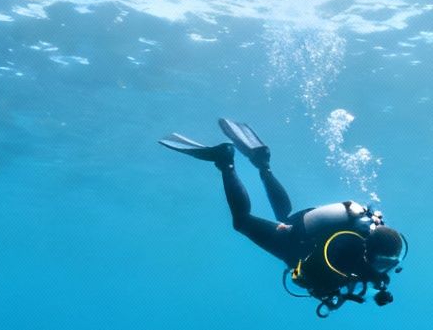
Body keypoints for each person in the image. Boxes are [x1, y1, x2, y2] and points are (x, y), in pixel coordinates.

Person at [161, 118, 407, 316]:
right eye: (384, 263)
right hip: (294, 243)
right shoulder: (351, 250)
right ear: (371, 252)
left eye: (389, 265)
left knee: (285, 215)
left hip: (306, 227)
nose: (384, 269)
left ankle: (262, 163)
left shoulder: (362, 239)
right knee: (242, 222)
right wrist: (371, 277)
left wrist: (375, 277)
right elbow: (338, 266)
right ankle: (225, 161)